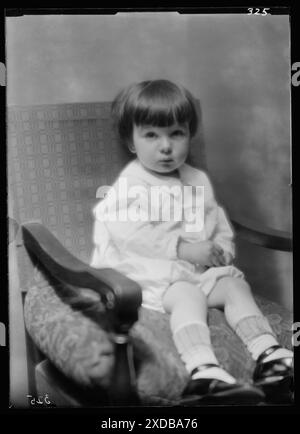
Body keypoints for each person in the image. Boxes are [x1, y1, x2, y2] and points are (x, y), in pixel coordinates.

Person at [91, 79, 293, 404]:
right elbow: (129, 234)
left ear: (189, 134)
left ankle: (269, 354)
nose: (166, 146)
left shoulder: (195, 179)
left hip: (194, 268)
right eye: (151, 135)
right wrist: (181, 248)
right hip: (150, 273)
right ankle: (203, 369)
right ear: (131, 142)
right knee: (186, 295)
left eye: (176, 133)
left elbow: (214, 222)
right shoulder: (132, 184)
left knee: (234, 286)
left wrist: (220, 248)